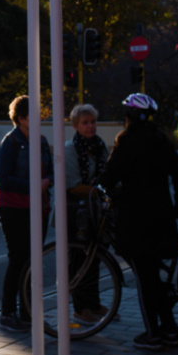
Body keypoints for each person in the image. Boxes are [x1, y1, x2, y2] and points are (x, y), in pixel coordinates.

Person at [99, 93, 178, 351]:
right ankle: (170, 330)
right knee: (152, 277)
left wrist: (101, 186)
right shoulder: (161, 140)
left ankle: (154, 334)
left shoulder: (127, 141)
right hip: (162, 218)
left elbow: (109, 176)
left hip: (136, 221)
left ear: (128, 117)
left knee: (145, 279)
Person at [0, 95, 54, 333]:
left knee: (33, 261)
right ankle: (8, 313)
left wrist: (47, 181)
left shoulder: (41, 140)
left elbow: (50, 170)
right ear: (21, 118)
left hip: (38, 205)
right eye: (34, 114)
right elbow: (4, 179)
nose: (40, 117)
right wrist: (33, 184)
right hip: (13, 206)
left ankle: (28, 313)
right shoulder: (10, 142)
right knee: (19, 258)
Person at [64, 103, 111, 323]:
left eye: (92, 122)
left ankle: (94, 303)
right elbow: (73, 185)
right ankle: (80, 307)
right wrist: (100, 191)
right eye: (85, 122)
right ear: (75, 126)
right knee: (78, 259)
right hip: (76, 213)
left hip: (97, 212)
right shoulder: (70, 150)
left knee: (96, 258)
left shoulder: (101, 147)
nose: (90, 126)